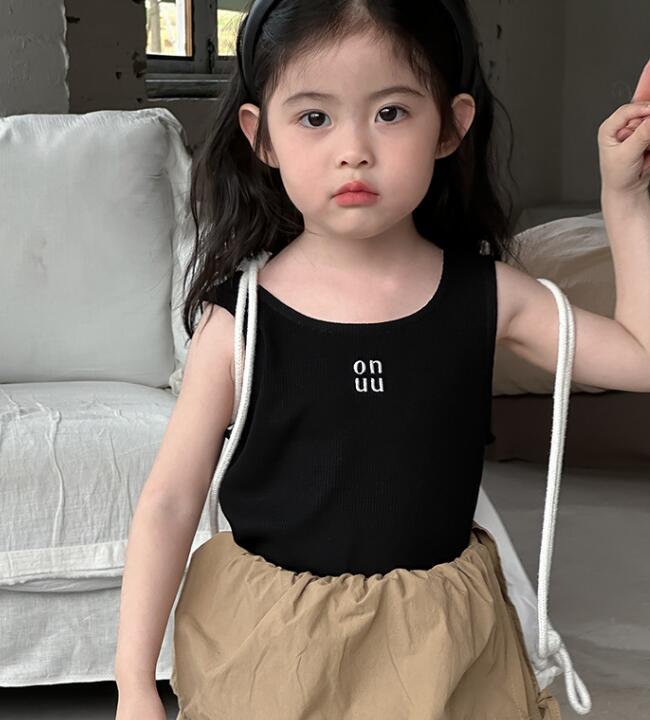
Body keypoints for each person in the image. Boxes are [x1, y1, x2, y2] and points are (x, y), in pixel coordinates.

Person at [114, 1, 650, 718]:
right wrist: (133, 683)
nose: (354, 150)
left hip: (442, 646)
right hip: (274, 647)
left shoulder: (488, 295)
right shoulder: (240, 320)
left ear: (451, 126)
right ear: (261, 136)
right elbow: (169, 503)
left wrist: (625, 197)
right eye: (315, 117)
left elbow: (640, 356)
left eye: (391, 113)